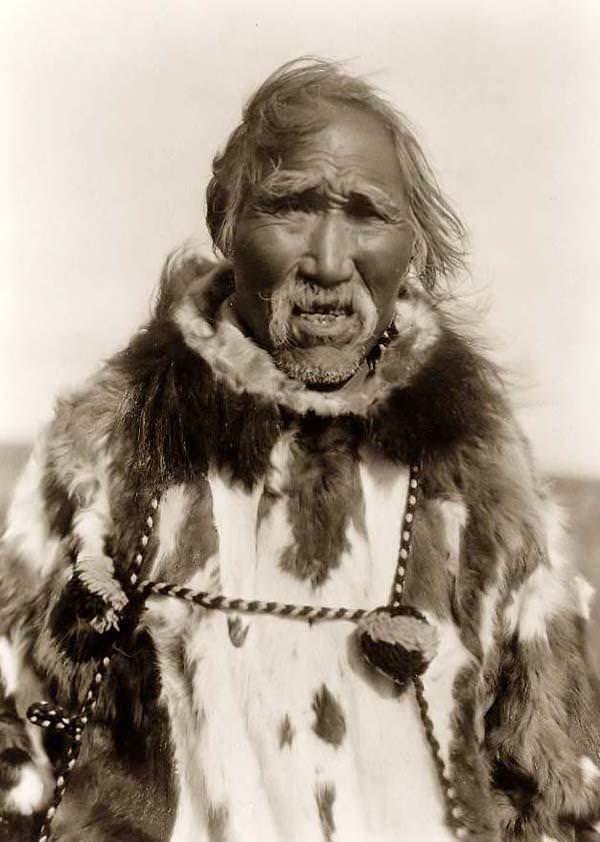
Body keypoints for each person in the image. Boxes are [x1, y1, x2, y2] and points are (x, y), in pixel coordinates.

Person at [0, 57, 599, 842]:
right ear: (227, 225)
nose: (326, 261)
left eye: (367, 214)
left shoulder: (477, 474)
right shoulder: (109, 452)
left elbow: (554, 789)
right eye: (290, 208)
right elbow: (17, 752)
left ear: (411, 244)